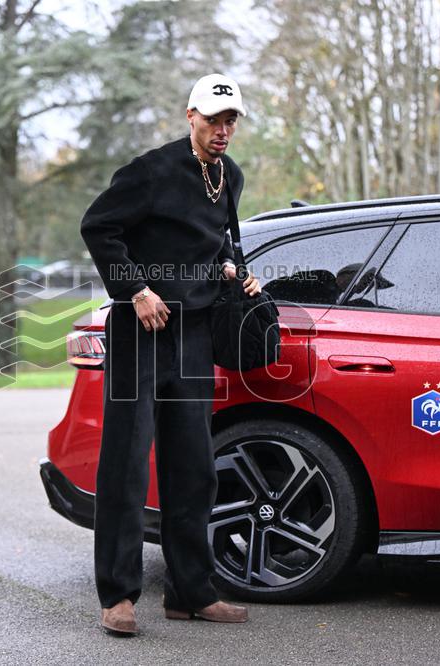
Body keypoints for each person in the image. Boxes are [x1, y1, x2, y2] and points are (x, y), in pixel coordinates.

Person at [80, 73, 261, 636]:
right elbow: (98, 227)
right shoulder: (150, 171)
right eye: (213, 120)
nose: (223, 130)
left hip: (194, 333)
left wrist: (230, 269)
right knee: (127, 467)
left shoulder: (229, 176)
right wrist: (135, 290)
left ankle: (190, 592)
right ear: (190, 116)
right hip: (142, 330)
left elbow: (213, 242)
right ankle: (118, 595)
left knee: (193, 468)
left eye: (231, 121)